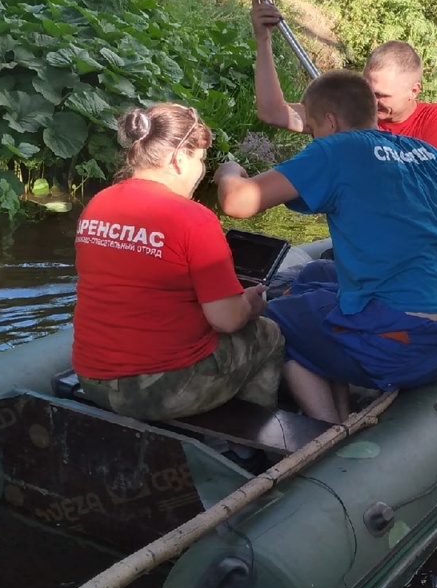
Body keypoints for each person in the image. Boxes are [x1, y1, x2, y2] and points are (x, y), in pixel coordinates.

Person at [214, 70, 437, 423]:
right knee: (315, 273)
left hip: (398, 349)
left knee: (272, 321)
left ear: (329, 122)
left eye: (311, 130)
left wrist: (230, 172)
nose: (313, 138)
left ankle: (329, 430)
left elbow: (238, 202)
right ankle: (343, 405)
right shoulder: (429, 154)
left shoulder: (336, 149)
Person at [72, 102, 283, 422]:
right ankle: (249, 446)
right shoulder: (194, 219)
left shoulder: (98, 203)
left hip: (92, 380)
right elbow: (226, 321)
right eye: (200, 159)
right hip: (159, 390)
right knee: (268, 335)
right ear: (178, 159)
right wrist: (250, 304)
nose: (201, 170)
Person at [251, 0, 437, 160]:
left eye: (381, 96)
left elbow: (431, 182)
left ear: (413, 91)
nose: (369, 100)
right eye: (366, 89)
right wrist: (263, 39)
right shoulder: (347, 111)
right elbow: (273, 112)